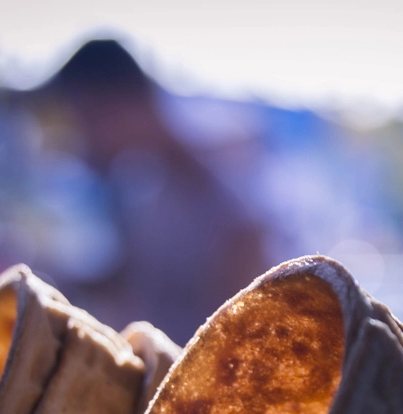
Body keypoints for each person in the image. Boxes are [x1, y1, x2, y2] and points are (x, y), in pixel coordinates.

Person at [42, 39, 270, 344]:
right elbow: (136, 281)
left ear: (120, 106)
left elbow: (245, 316)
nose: (82, 138)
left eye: (87, 119)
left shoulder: (223, 175)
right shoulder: (143, 181)